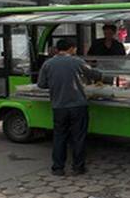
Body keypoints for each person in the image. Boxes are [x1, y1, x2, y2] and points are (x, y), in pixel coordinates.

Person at [38, 39, 102, 176]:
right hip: (78, 106)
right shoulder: (77, 61)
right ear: (72, 48)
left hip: (59, 106)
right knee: (78, 137)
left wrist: (56, 84)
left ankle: (58, 168)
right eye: (75, 48)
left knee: (59, 136)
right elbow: (95, 75)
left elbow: (41, 84)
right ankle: (78, 168)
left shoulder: (48, 64)